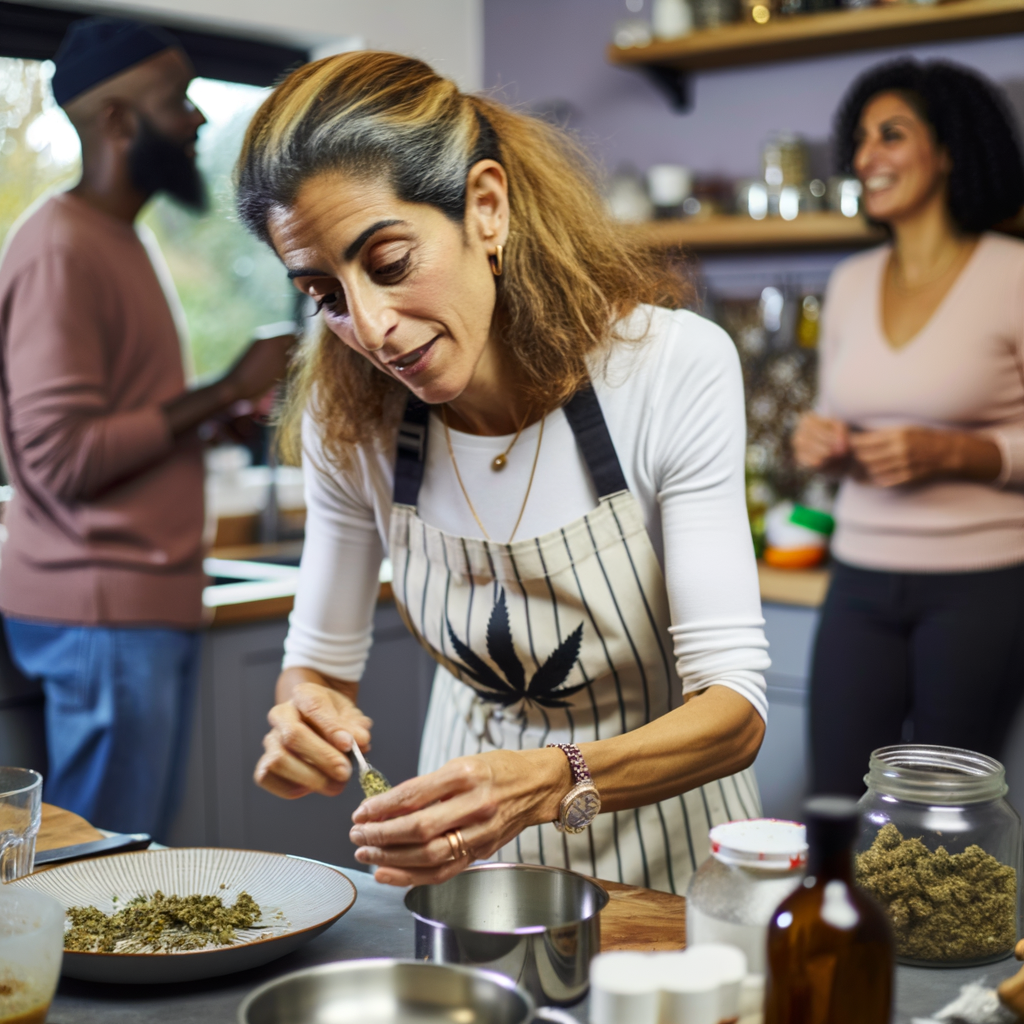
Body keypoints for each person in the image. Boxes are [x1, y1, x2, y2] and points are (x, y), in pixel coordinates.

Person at [237, 51, 770, 893]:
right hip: (466, 864)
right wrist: (304, 715)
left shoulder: (667, 369)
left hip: (673, 864)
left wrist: (547, 781)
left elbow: (733, 715)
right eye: (325, 295)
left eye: (388, 262)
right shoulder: (351, 421)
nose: (369, 328)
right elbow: (319, 664)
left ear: (485, 208)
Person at [0, 17, 293, 839]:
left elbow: (115, 423)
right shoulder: (61, 249)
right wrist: (223, 387)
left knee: (123, 859)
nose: (198, 119)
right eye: (179, 101)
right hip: (101, 611)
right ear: (118, 121)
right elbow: (60, 460)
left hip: (132, 608)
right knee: (107, 871)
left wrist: (217, 416)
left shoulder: (120, 238)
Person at [793, 59, 1024, 796]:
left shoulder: (1013, 274)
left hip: (983, 589)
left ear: (949, 148)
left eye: (891, 135)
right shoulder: (850, 282)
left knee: (945, 832)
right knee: (832, 799)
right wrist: (819, 446)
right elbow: (839, 421)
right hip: (858, 578)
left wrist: (958, 452)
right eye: (860, 140)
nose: (866, 158)